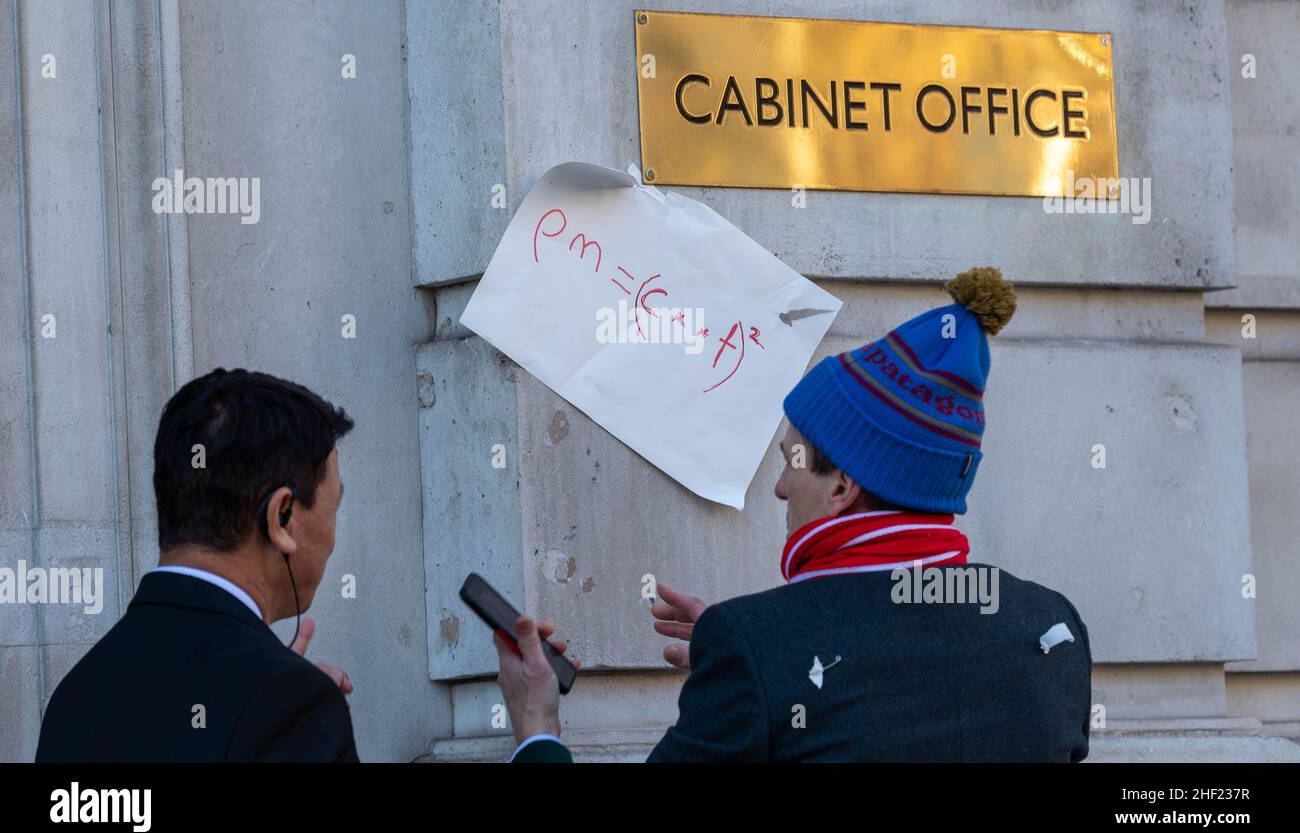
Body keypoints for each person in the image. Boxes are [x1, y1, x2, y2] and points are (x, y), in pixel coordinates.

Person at [497, 267, 1093, 762]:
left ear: (843, 488)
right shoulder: (1048, 625)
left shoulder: (758, 648)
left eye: (795, 461)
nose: (781, 487)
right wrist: (761, 662)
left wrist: (537, 728)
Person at [36, 369, 359, 762]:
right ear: (281, 517)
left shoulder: (75, 696)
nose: (332, 536)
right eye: (334, 507)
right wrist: (290, 709)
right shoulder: (292, 705)